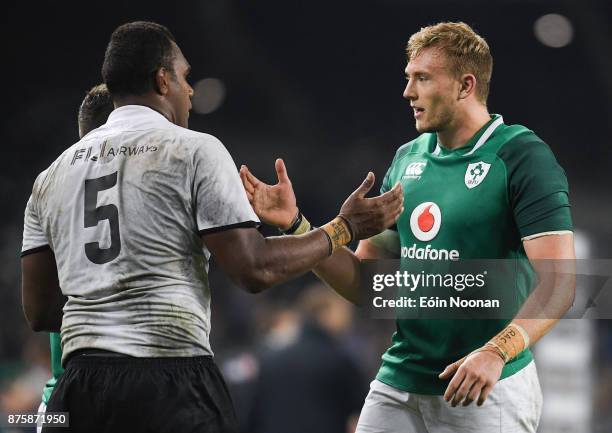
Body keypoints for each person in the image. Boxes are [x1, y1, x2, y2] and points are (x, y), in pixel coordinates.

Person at [20, 21, 403, 433]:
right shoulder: (192, 149)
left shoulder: (50, 177)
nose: (190, 91)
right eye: (185, 77)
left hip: (80, 389)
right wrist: (342, 228)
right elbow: (254, 269)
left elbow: (40, 311)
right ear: (161, 79)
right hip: (168, 379)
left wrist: (109, 312)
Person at [240, 21, 576, 432]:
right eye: (408, 78)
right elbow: (368, 284)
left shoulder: (522, 157)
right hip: (400, 382)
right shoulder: (406, 160)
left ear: (465, 86)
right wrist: (296, 225)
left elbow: (560, 282)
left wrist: (495, 353)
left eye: (422, 79)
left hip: (488, 387)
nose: (408, 92)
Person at [34, 83, 114, 433]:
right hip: (121, 395)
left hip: (58, 399)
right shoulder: (145, 193)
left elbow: (39, 312)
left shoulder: (51, 186)